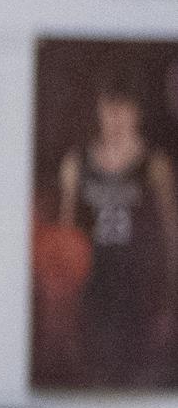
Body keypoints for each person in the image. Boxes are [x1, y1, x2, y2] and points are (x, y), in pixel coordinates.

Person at [58, 79, 178, 388]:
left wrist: (169, 292)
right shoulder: (77, 163)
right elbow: (65, 239)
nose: (115, 118)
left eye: (124, 109)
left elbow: (170, 231)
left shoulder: (154, 164)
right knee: (95, 373)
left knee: (137, 374)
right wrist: (64, 302)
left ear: (136, 113)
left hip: (138, 287)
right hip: (95, 285)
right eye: (109, 108)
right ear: (99, 110)